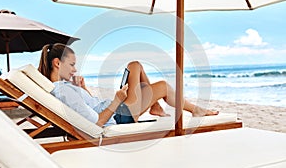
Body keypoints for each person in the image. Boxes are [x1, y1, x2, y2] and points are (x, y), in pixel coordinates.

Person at [38, 43, 218, 127]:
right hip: (118, 116)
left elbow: (90, 106)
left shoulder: (64, 87)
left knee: (135, 65)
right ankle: (195, 110)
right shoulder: (63, 91)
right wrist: (117, 101)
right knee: (162, 85)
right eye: (71, 65)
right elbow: (97, 122)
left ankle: (154, 106)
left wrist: (83, 89)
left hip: (116, 110)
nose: (74, 70)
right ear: (57, 63)